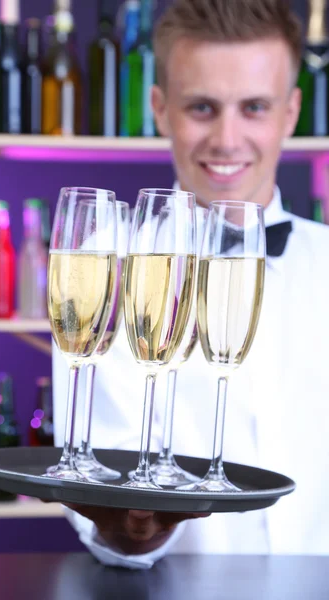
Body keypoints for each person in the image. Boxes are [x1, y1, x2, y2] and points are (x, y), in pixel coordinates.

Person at [52, 0, 329, 568]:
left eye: (254, 107)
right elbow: (104, 512)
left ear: (291, 111)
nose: (227, 139)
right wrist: (131, 528)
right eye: (202, 107)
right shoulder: (109, 270)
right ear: (159, 109)